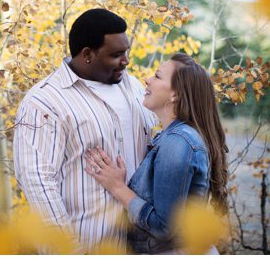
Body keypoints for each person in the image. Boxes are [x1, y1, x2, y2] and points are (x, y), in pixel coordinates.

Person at [13, 8, 157, 253]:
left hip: (142, 247)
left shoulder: (133, 86)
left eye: (126, 52)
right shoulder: (44, 102)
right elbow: (38, 182)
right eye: (116, 55)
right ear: (88, 54)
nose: (126, 61)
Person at [83, 53, 227, 254]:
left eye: (158, 76)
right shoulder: (174, 136)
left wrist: (117, 187)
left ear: (175, 94)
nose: (147, 79)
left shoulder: (178, 142)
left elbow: (163, 227)